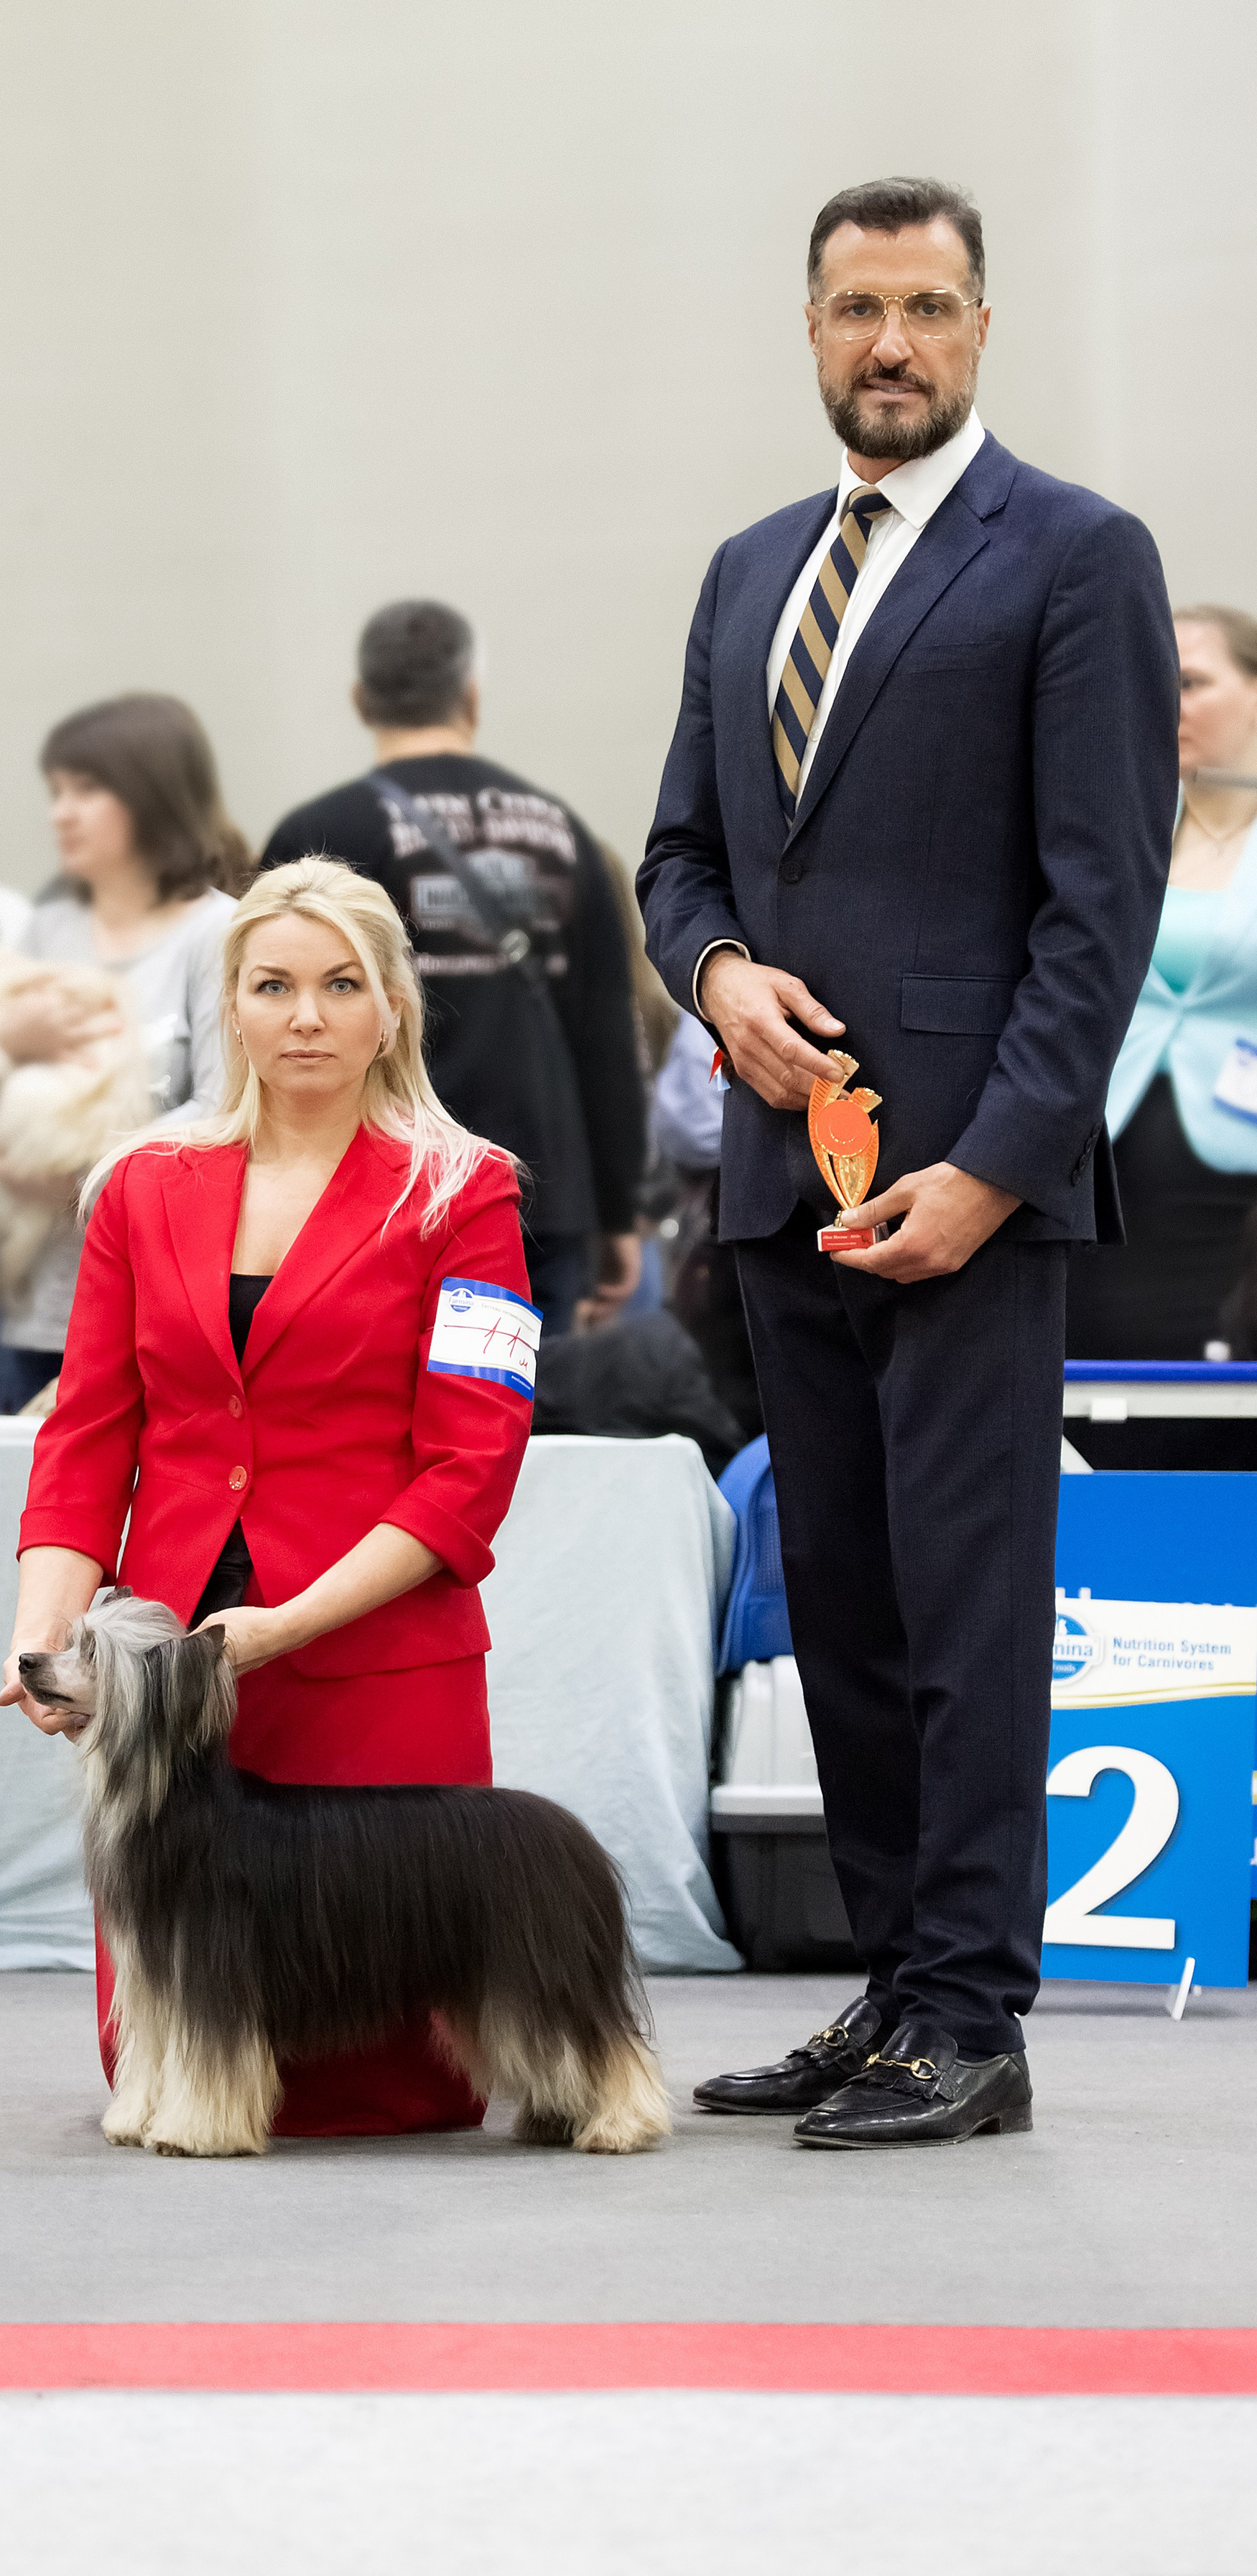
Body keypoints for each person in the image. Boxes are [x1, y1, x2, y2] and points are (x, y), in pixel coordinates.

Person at [639, 176, 1176, 2146]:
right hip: (785, 1181)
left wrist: (994, 1171)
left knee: (966, 1617)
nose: (892, 342)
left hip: (965, 1196)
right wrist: (718, 982)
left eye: (928, 307)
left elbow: (1097, 909)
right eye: (859, 306)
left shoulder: (1077, 556)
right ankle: (888, 1990)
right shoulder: (746, 568)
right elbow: (678, 856)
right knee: (844, 1611)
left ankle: (971, 2016)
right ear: (810, 326)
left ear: (978, 327)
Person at [0, 857, 534, 2137]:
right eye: (273, 986)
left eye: (342, 986)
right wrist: (43, 1637)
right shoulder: (139, 1186)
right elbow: (85, 1438)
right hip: (171, 1680)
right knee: (169, 2051)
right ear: (227, 1006)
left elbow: (472, 1466)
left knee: (388, 2082)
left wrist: (286, 1624)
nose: (306, 1018)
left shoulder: (465, 1192)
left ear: (392, 1008)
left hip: (369, 1663)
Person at [258, 601, 644, 1340]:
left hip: (375, 1198)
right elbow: (605, 1034)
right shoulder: (559, 829)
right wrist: (617, 1210)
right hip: (539, 1196)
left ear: (361, 701)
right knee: (519, 1406)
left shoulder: (321, 834)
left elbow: (271, 1026)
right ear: (471, 697)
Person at [0, 693, 245, 1411]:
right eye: (55, 792)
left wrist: (80, 1169)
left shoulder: (218, 934)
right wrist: (7, 1050)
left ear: (152, 795)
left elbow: (224, 1109)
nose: (60, 813)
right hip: (35, 1307)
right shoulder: (47, 930)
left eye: (86, 790)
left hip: (157, 1313)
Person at [1066, 606, 1257, 1469]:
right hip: (1102, 1160)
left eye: (1191, 683)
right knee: (1096, 1400)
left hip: (1233, 1201)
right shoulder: (1121, 825)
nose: (1164, 701)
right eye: (1152, 682)